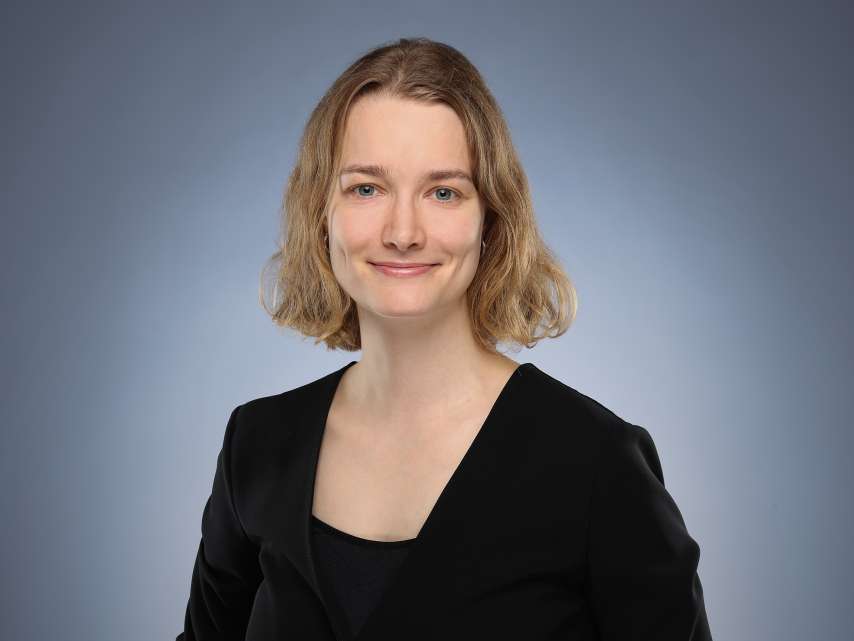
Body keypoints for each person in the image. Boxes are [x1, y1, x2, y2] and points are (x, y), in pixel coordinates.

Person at [176, 37, 712, 641]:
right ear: (321, 213)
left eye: (443, 192)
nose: (403, 232)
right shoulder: (257, 447)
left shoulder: (596, 462)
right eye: (366, 188)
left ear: (491, 220)